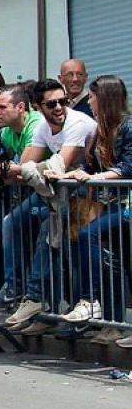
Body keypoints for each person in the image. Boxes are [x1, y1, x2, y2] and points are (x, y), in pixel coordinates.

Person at [2, 79, 97, 332]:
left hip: (84, 191)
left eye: (63, 101)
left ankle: (36, 298)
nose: (59, 108)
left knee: (49, 229)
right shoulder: (44, 127)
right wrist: (28, 169)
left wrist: (28, 169)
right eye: (52, 103)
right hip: (57, 191)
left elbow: (59, 165)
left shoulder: (76, 122)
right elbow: (22, 166)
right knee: (12, 222)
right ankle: (15, 291)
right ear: (38, 106)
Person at [47, 75, 131, 345]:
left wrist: (99, 177)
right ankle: (115, 323)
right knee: (112, 263)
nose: (89, 101)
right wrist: (72, 174)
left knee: (89, 236)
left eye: (93, 97)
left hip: (126, 206)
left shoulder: (128, 127)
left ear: (105, 99)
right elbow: (90, 167)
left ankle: (90, 298)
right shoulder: (98, 131)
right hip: (107, 205)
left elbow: (128, 167)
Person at [0, 84, 44, 311]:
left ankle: (17, 291)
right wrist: (10, 172)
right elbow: (5, 171)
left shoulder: (36, 124)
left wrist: (11, 172)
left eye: (1, 107)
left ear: (20, 107)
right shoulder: (6, 132)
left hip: (56, 193)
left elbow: (21, 168)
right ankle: (17, 291)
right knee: (11, 226)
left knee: (12, 224)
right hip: (37, 192)